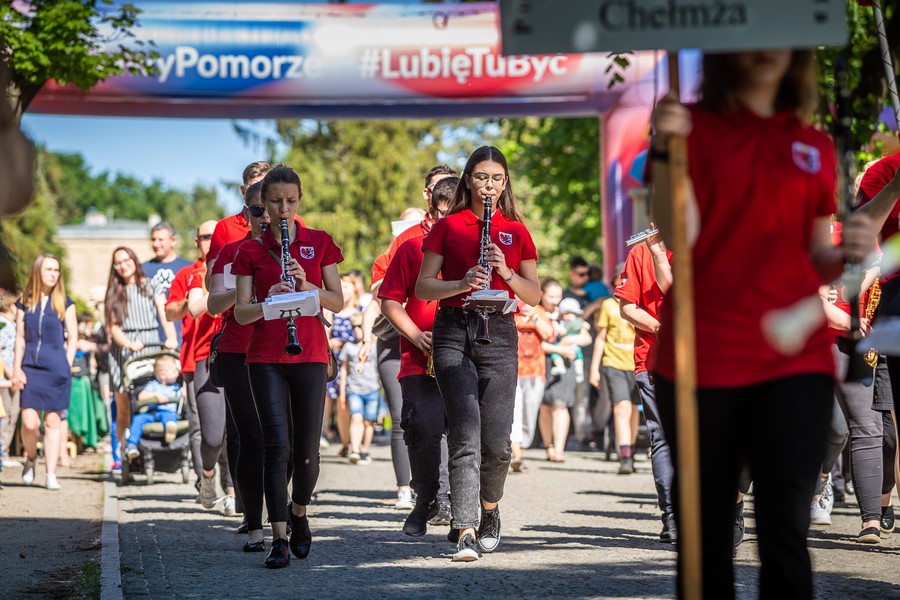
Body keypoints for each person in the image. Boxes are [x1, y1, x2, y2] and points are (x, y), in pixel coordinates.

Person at [650, 50, 876, 599]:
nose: (766, 47)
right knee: (704, 540)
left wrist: (849, 250)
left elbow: (814, 255)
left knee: (785, 534)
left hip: (792, 360)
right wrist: (663, 151)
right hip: (701, 356)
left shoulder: (815, 144)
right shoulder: (689, 127)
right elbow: (679, 233)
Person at [416, 146, 540, 562]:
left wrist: (505, 272)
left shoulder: (516, 230)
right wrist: (461, 282)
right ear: (468, 179)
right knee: (465, 433)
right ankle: (465, 527)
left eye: (497, 178)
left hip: (500, 331)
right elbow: (423, 287)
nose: (489, 185)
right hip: (453, 328)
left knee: (498, 443)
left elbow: (534, 295)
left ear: (505, 183)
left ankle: (489, 509)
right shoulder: (449, 226)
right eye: (482, 177)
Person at [233, 165, 344, 568]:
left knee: (307, 455)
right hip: (264, 357)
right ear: (262, 203)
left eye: (290, 201)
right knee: (275, 448)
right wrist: (270, 300)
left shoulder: (319, 243)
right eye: (275, 202)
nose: (283, 209)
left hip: (310, 353)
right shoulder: (249, 251)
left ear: (299, 200)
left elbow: (337, 301)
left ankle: (299, 513)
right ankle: (279, 537)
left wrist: (306, 286)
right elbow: (243, 314)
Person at [361, 164, 458, 511]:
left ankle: (449, 500)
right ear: (429, 197)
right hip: (414, 343)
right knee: (420, 425)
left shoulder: (472, 235)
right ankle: (423, 493)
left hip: (461, 345)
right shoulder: (408, 240)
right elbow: (384, 289)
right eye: (438, 193)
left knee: (457, 426)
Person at [207, 181, 270, 552]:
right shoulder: (232, 251)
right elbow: (215, 305)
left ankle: (286, 509)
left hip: (284, 351)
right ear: (246, 214)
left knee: (287, 441)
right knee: (251, 437)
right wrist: (244, 290)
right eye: (257, 210)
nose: (265, 216)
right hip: (237, 349)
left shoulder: (295, 248)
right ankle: (253, 517)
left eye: (273, 207)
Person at [615, 236, 677, 541]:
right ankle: (673, 516)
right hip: (653, 358)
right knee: (663, 437)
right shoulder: (640, 251)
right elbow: (627, 308)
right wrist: (660, 328)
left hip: (706, 359)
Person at [12, 254, 77, 489]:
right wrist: (17, 369)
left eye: (57, 270)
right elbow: (20, 339)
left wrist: (66, 364)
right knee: (29, 423)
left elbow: (73, 337)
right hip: (30, 367)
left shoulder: (65, 303)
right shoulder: (24, 303)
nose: (53, 274)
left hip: (56, 369)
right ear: (38, 271)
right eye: (49, 269)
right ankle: (31, 458)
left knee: (52, 421)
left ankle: (50, 474)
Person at [105, 247, 177, 455]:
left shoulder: (151, 285)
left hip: (150, 346)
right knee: (124, 406)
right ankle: (120, 452)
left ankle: (146, 448)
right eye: (118, 262)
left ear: (134, 261)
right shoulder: (114, 292)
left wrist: (170, 338)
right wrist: (128, 343)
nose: (123, 265)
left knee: (149, 400)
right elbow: (113, 327)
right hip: (124, 350)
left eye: (126, 260)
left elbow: (164, 314)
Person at [589, 271, 639, 475]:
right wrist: (594, 368)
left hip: (638, 364)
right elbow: (601, 338)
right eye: (621, 279)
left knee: (634, 410)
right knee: (622, 408)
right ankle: (624, 455)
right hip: (613, 363)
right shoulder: (609, 306)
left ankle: (632, 450)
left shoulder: (641, 303)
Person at [539, 280, 591, 464]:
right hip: (543, 363)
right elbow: (538, 344)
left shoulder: (568, 315)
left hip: (566, 366)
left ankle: (559, 449)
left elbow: (586, 337)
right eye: (551, 296)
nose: (555, 300)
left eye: (558, 296)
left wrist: (569, 341)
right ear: (542, 294)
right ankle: (548, 446)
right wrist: (559, 349)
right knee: (545, 407)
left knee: (560, 406)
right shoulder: (537, 314)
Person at [510, 296, 554, 474]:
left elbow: (549, 335)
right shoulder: (509, 309)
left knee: (529, 415)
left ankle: (521, 451)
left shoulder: (539, 310)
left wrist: (533, 316)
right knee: (514, 412)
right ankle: (516, 456)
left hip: (535, 370)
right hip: (513, 369)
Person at [142, 221, 192, 345]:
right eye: (153, 239)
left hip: (183, 335)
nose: (156, 244)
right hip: (151, 337)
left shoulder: (188, 268)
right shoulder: (142, 270)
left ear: (173, 240)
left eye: (160, 239)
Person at [338, 319, 380, 465]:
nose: (356, 329)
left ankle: (365, 450)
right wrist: (342, 392)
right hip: (354, 389)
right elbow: (343, 371)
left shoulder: (374, 347)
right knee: (356, 418)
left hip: (372, 389)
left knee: (369, 422)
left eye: (359, 326)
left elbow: (380, 369)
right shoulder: (348, 347)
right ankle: (354, 450)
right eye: (353, 327)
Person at [125, 354, 182, 459]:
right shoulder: (152, 385)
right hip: (152, 413)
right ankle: (132, 445)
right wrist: (155, 395)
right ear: (163, 375)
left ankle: (170, 429)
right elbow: (142, 397)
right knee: (138, 419)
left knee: (170, 417)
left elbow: (184, 396)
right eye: (174, 371)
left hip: (168, 413)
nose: (178, 374)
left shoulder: (176, 388)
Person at [0, 289, 20, 467]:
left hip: (15, 377)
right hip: (5, 379)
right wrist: (10, 375)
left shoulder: (13, 325)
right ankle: (3, 454)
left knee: (13, 414)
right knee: (5, 415)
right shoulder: (2, 324)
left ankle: (5, 452)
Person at [548, 297, 587, 382]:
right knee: (579, 357)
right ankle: (579, 369)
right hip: (575, 347)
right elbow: (586, 326)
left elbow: (562, 332)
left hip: (567, 345)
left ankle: (560, 366)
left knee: (555, 354)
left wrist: (553, 321)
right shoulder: (579, 321)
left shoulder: (570, 324)